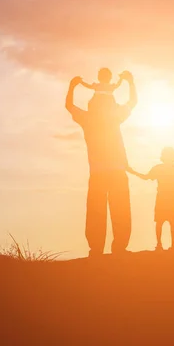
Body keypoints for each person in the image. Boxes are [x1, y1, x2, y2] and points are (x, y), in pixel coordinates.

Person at [66, 68, 138, 257]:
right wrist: (130, 82)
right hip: (116, 170)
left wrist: (72, 87)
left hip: (98, 171)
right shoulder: (115, 116)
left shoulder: (88, 118)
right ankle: (119, 247)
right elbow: (133, 102)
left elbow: (69, 106)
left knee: (96, 210)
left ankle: (96, 249)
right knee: (120, 208)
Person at [127, 147, 174, 250]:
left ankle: (161, 245)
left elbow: (146, 177)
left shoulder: (160, 168)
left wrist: (133, 172)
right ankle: (170, 245)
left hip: (165, 199)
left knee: (162, 222)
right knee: (169, 223)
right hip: (170, 199)